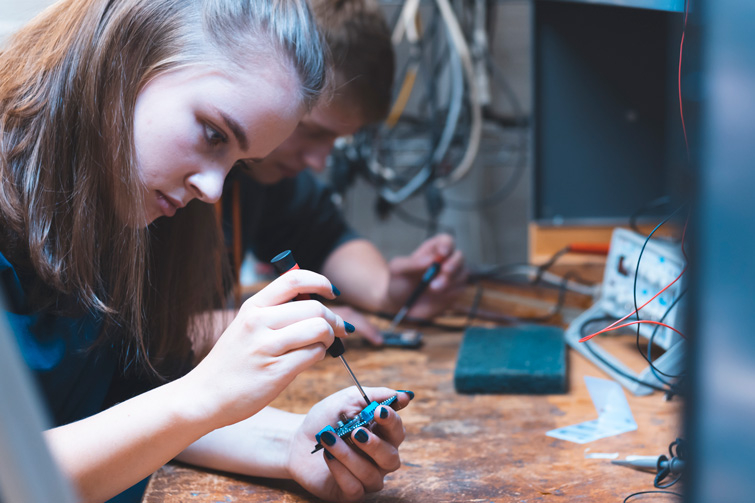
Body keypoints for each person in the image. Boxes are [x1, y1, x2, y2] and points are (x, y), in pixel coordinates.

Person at [0, 1, 412, 502]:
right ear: (128, 55)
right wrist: (202, 395)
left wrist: (293, 443)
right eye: (214, 134)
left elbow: (131, 404)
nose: (213, 190)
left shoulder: (127, 209)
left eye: (239, 162)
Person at [222, 0, 468, 345]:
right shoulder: (175, 177)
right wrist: (279, 322)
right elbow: (129, 331)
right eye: (311, 131)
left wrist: (385, 292)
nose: (320, 161)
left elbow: (325, 238)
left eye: (336, 139)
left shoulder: (263, 175)